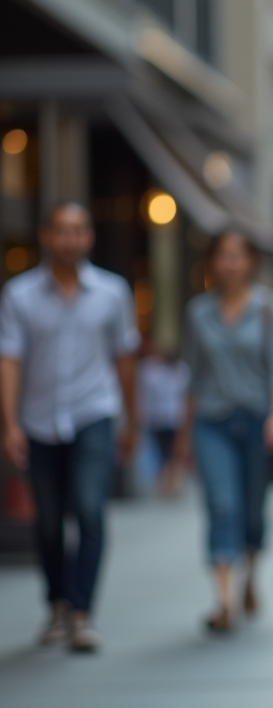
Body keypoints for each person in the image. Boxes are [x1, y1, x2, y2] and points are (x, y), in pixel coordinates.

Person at [0, 200, 140, 653]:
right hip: (39, 420)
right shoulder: (18, 295)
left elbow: (124, 359)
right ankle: (57, 605)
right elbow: (10, 361)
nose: (69, 239)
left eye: (78, 230)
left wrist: (130, 420)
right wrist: (9, 424)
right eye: (61, 230)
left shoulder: (112, 292)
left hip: (93, 414)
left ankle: (81, 613)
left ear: (89, 238)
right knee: (48, 522)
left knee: (90, 510)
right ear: (45, 236)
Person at [174, 228, 273, 634]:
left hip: (258, 422)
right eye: (223, 255)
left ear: (251, 261)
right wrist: (182, 437)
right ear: (212, 261)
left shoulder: (271, 308)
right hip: (211, 422)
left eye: (237, 255)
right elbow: (192, 378)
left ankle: (250, 577)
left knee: (252, 509)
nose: (230, 263)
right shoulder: (198, 312)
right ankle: (223, 600)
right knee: (221, 503)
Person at [136, 340, 190, 496]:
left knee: (173, 451)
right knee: (160, 452)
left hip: (174, 417)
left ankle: (172, 483)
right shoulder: (147, 369)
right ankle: (166, 482)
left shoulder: (179, 369)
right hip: (157, 418)